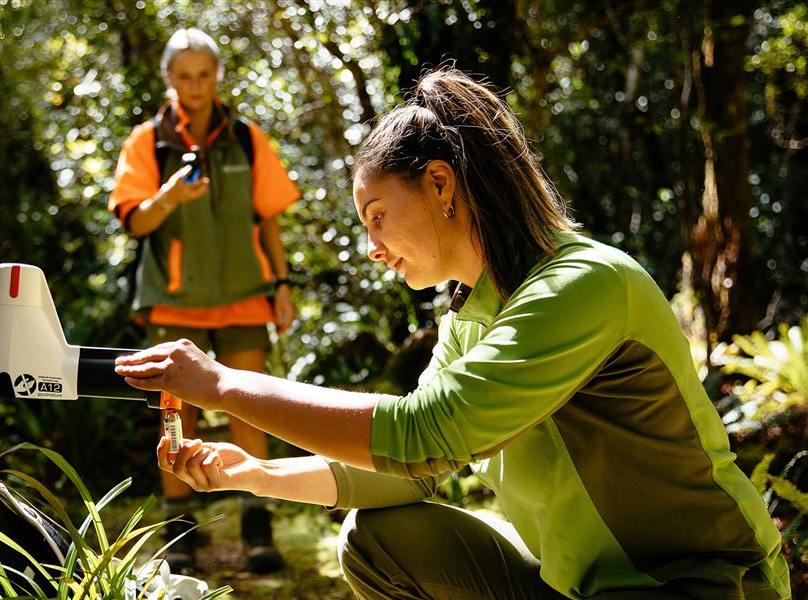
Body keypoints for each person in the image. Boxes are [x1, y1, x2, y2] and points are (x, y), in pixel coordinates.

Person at [114, 68, 792, 599]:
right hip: (584, 590)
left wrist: (222, 384)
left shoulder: (583, 286)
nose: (373, 246)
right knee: (376, 539)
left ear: (439, 183)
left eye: (378, 216)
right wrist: (255, 472)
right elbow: (411, 475)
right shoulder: (474, 318)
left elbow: (423, 433)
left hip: (698, 589)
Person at [108, 28, 299, 574]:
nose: (195, 85)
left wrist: (282, 288)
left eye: (204, 74)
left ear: (218, 76)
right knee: (175, 418)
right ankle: (179, 536)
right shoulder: (147, 143)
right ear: (169, 78)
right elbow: (134, 220)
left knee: (252, 409)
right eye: (184, 75)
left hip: (243, 296)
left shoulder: (245, 137)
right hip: (173, 301)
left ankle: (258, 528)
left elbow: (269, 222)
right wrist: (169, 194)